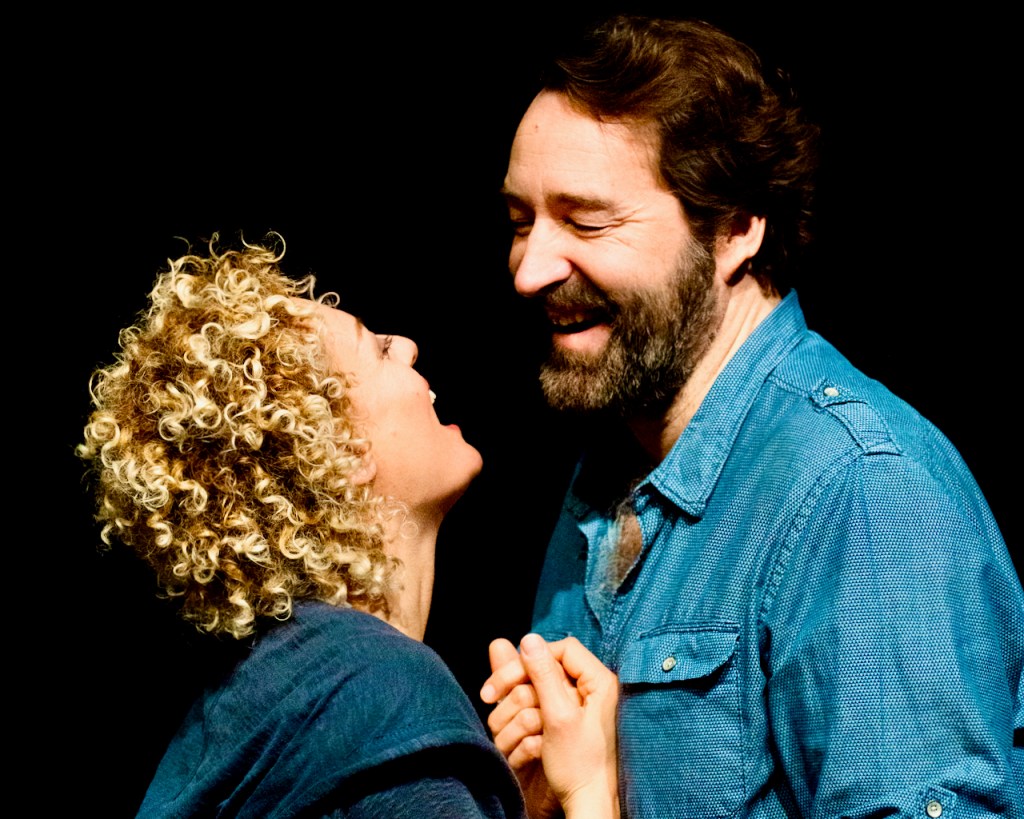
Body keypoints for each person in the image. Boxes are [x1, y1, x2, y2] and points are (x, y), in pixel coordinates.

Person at [481, 15, 1024, 818]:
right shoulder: (606, 472)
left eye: (586, 221)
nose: (529, 270)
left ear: (736, 228)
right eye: (520, 222)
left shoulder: (859, 492)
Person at [76, 236, 613, 818]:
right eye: (377, 350)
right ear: (343, 450)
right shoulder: (377, 691)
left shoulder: (285, 686)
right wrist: (590, 790)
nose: (406, 346)